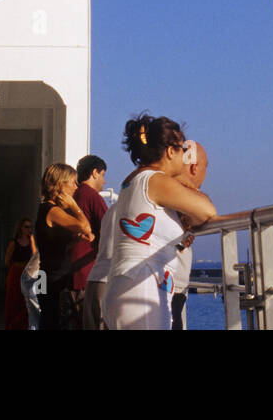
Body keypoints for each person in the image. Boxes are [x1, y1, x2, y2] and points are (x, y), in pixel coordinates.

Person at [103, 116, 216, 330]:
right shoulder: (155, 180)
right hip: (141, 288)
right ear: (170, 151)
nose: (184, 156)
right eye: (182, 148)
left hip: (127, 285)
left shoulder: (134, 179)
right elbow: (207, 211)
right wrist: (184, 181)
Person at [34, 163, 93, 329]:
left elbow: (54, 246)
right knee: (55, 321)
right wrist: (75, 207)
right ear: (60, 184)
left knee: (47, 319)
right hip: (54, 279)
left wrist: (76, 239)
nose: (77, 186)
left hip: (44, 275)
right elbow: (86, 226)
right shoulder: (53, 211)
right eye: (73, 182)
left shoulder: (45, 209)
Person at [170, 141, 207, 329]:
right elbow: (207, 211)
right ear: (194, 167)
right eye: (205, 167)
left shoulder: (164, 189)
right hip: (170, 285)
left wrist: (183, 243)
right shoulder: (177, 193)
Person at [71, 154, 108, 329]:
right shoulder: (92, 197)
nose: (104, 181)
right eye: (103, 175)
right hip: (88, 275)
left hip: (72, 274)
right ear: (95, 173)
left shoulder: (74, 195)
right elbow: (109, 231)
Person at [4, 217, 35, 329]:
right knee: (13, 301)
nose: (28, 229)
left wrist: (32, 241)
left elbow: (35, 256)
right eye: (26, 227)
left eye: (30, 227)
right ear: (21, 228)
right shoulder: (14, 242)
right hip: (16, 272)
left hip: (27, 273)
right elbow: (7, 260)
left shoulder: (31, 241)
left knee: (27, 302)